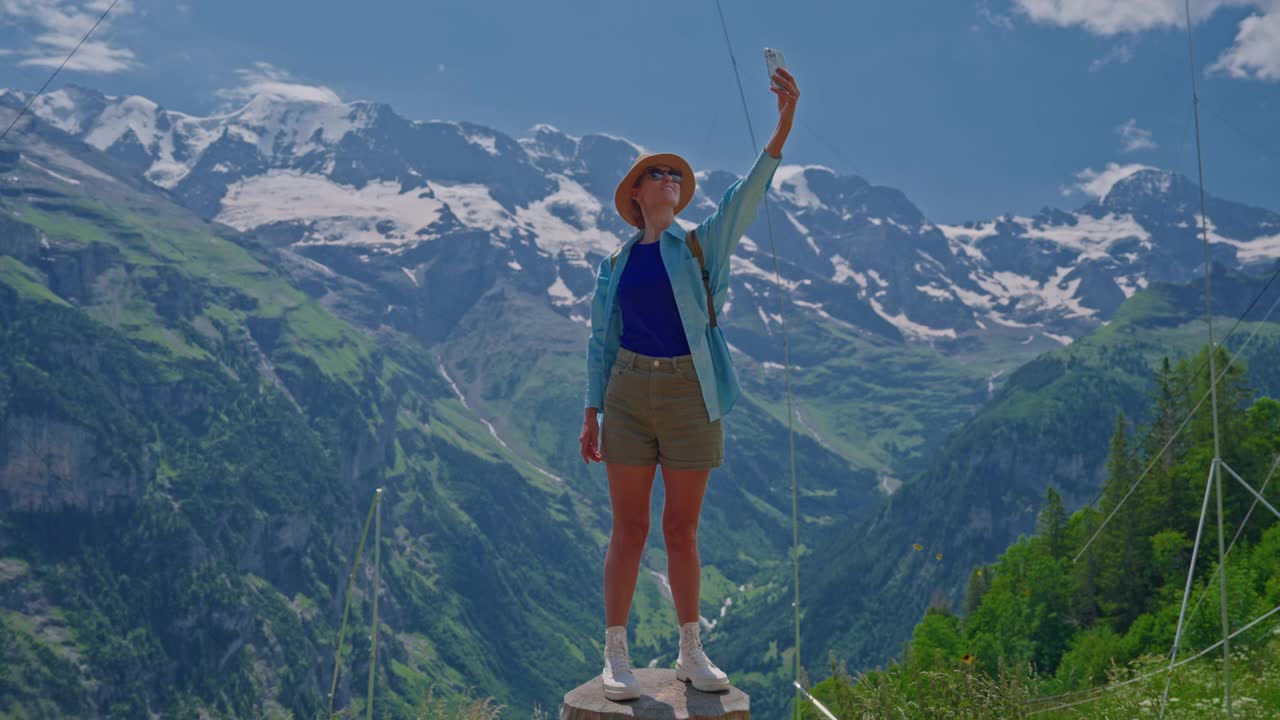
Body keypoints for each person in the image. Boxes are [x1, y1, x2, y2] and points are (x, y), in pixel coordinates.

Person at [579, 67, 800, 700]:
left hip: (689, 393)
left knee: (681, 530)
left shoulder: (702, 247)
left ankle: (690, 650)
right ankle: (615, 653)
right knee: (628, 530)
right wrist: (591, 409)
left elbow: (747, 195)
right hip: (624, 393)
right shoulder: (614, 264)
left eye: (676, 175)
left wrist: (782, 127)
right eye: (659, 174)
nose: (671, 180)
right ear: (637, 194)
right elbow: (600, 340)